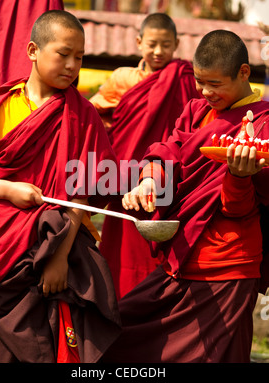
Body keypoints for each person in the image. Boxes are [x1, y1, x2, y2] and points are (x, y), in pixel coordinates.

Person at [102, 30, 269, 363]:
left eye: (215, 84)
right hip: (181, 255)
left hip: (228, 262)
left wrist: (238, 175)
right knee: (119, 334)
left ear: (244, 73)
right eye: (200, 82)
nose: (206, 92)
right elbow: (169, 151)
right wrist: (149, 180)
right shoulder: (196, 110)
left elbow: (240, 208)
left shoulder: (263, 123)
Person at [0, 10, 121, 363]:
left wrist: (60, 258)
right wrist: (7, 191)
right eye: (63, 53)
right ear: (33, 50)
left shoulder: (83, 114)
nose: (72, 65)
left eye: (79, 57)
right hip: (3, 249)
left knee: (59, 350)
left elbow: (81, 192)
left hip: (60, 247)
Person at [91, 13, 200, 299]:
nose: (158, 51)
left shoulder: (185, 78)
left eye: (166, 44)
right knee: (122, 246)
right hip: (125, 178)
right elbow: (94, 114)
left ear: (176, 44)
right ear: (139, 42)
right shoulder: (124, 78)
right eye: (152, 44)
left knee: (158, 252)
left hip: (167, 179)